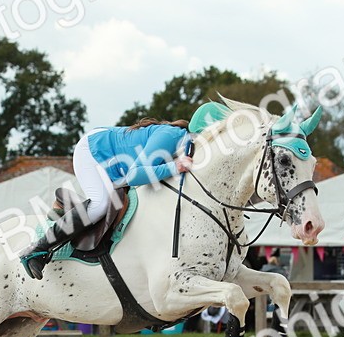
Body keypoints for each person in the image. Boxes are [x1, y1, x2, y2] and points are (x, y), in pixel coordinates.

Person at [18, 106, 214, 279]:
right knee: (100, 204)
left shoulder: (186, 145)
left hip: (114, 159)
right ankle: (37, 249)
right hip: (92, 151)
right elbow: (135, 175)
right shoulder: (173, 136)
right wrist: (175, 167)